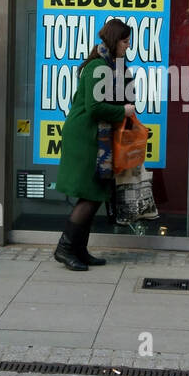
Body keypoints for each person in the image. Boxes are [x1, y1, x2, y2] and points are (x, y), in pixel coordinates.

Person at [53, 19, 136, 271]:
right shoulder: (97, 67)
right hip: (85, 137)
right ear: (113, 41)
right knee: (91, 195)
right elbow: (95, 107)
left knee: (96, 194)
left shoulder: (112, 67)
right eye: (124, 40)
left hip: (94, 138)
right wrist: (123, 110)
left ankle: (79, 249)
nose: (128, 44)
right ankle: (64, 249)